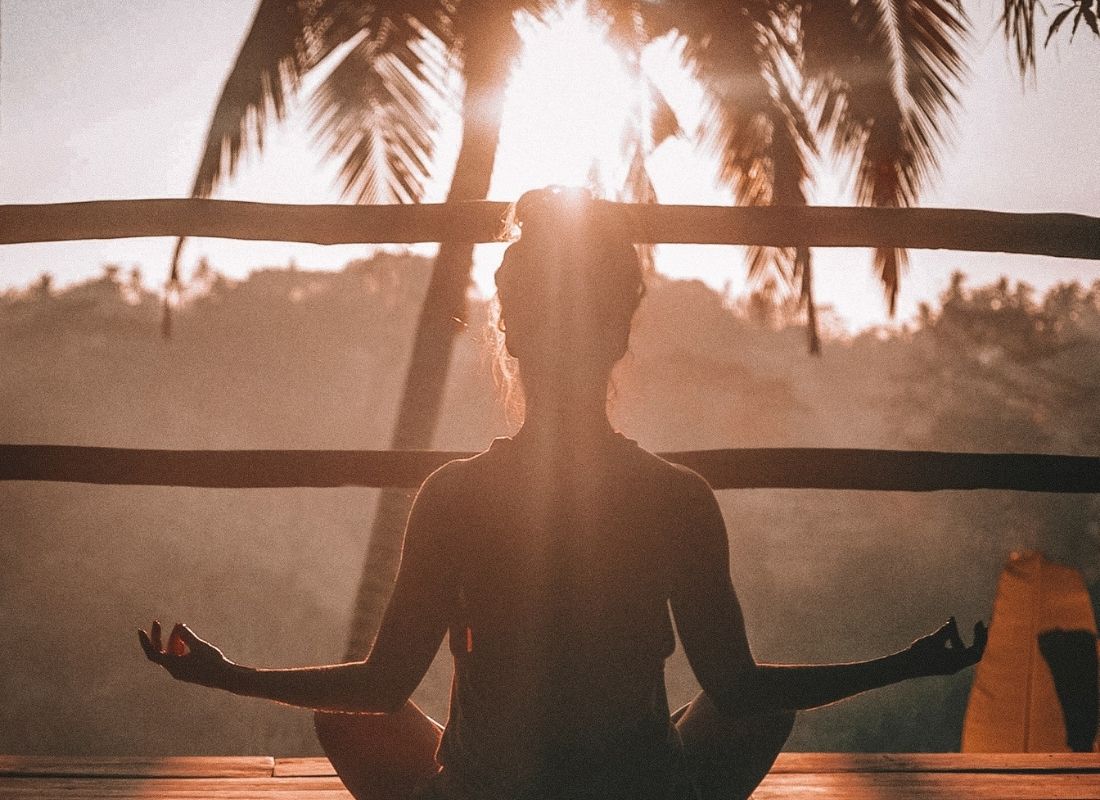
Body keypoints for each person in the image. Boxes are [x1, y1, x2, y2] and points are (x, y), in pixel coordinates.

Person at [140, 187, 987, 800]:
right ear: (620, 332)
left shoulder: (456, 495)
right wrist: (906, 664)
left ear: (508, 334)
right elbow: (739, 691)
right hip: (639, 792)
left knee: (344, 718)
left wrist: (228, 675)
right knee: (754, 713)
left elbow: (379, 684)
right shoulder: (676, 497)